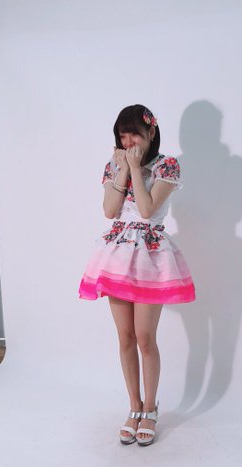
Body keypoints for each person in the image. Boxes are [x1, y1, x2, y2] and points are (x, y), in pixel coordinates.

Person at [78, 104, 196, 446]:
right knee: (125, 337)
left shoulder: (166, 165)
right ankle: (133, 407)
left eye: (135, 135)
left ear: (151, 133)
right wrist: (122, 171)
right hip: (117, 256)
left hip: (150, 256)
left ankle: (150, 408)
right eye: (122, 136)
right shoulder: (114, 165)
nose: (128, 142)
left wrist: (132, 167)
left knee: (145, 337)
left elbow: (146, 210)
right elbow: (110, 211)